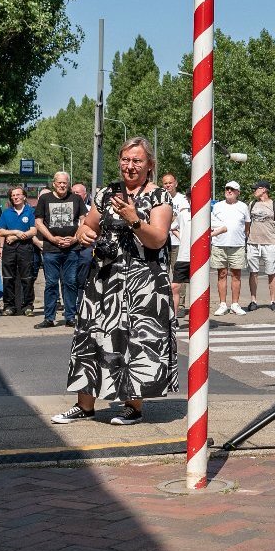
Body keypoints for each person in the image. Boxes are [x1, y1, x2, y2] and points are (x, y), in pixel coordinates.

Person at [51, 139, 178, 427]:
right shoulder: (106, 193)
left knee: (134, 340)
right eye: (125, 160)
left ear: (149, 166)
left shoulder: (160, 197)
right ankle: (85, 406)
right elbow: (88, 224)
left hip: (143, 281)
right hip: (104, 278)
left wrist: (134, 219)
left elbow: (157, 239)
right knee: (91, 335)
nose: (130, 166)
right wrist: (83, 232)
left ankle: (133, 407)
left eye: (137, 161)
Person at [33, 171, 87, 328]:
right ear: (54, 184)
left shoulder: (76, 199)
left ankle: (70, 317)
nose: (62, 185)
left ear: (68, 184)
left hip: (72, 248)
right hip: (51, 249)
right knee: (51, 283)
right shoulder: (45, 199)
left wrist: (75, 238)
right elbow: (39, 223)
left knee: (70, 282)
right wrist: (52, 238)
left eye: (65, 182)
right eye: (59, 182)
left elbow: (84, 220)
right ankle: (49, 318)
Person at [209, 180, 251, 315]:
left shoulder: (243, 206)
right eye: (227, 188)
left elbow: (247, 226)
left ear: (238, 192)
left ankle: (235, 304)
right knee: (221, 274)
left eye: (232, 189)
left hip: (237, 245)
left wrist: (242, 238)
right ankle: (222, 304)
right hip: (219, 244)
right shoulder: (217, 206)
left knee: (236, 275)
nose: (229, 191)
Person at [0, 185, 38, 316]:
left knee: (27, 277)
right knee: (8, 277)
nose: (15, 197)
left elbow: (33, 230)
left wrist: (15, 237)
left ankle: (27, 306)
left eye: (18, 195)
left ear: (24, 196)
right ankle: (9, 306)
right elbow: (1, 231)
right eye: (13, 196)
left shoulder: (30, 211)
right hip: (9, 249)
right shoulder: (6, 212)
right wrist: (15, 231)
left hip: (25, 248)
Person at [244, 181, 275, 312]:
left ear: (264, 190)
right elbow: (247, 224)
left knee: (271, 272)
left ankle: (273, 301)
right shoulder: (252, 204)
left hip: (269, 243)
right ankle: (253, 300)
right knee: (253, 272)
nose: (254, 190)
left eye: (256, 188)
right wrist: (247, 237)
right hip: (253, 243)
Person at [160, 172, 191, 317]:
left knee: (179, 275)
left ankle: (181, 305)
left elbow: (180, 219)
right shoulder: (160, 198)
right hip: (162, 241)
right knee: (162, 272)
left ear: (175, 184)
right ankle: (164, 302)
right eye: (165, 183)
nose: (167, 185)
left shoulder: (182, 200)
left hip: (178, 242)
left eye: (170, 183)